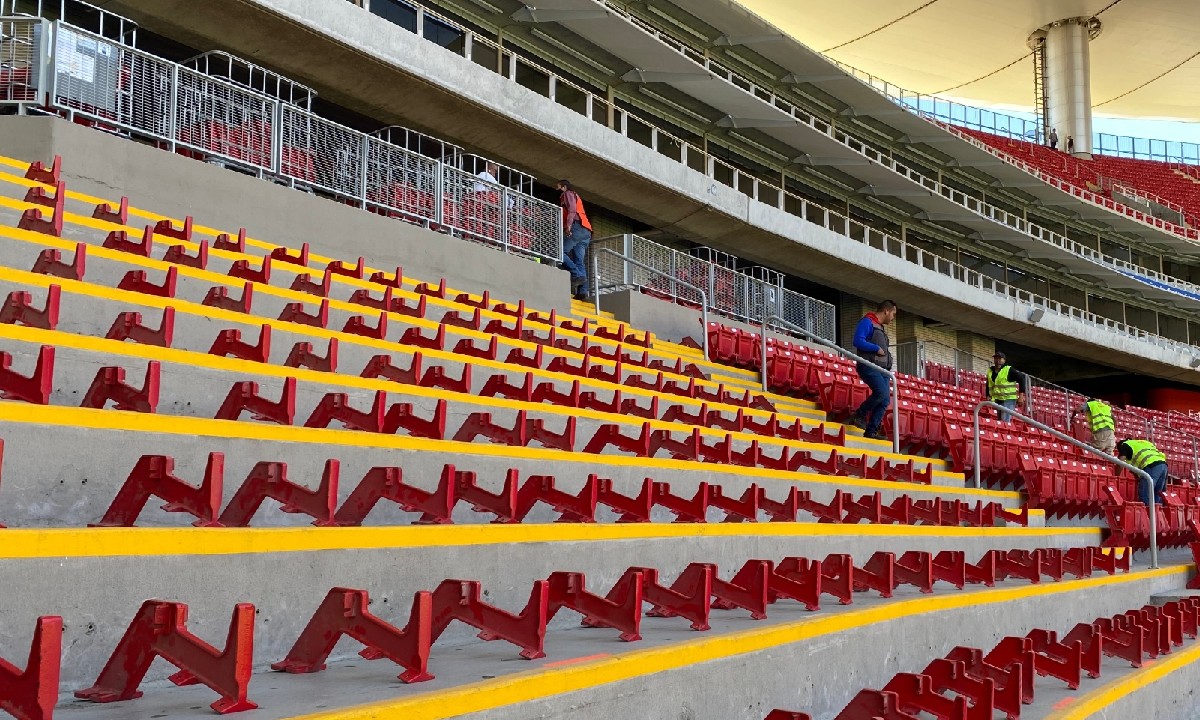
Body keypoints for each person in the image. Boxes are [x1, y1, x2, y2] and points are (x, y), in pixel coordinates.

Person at [849, 300, 897, 441]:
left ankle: (871, 431)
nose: (893, 318)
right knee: (881, 393)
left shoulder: (880, 327)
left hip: (883, 370)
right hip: (870, 366)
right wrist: (876, 348)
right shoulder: (867, 322)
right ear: (886, 311)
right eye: (893, 314)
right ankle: (860, 414)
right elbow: (858, 341)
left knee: (884, 400)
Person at [558, 179, 592, 300]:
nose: (558, 189)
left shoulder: (567, 194)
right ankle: (582, 291)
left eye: (559, 186)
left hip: (577, 227)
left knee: (560, 252)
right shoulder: (576, 195)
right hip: (586, 231)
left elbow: (572, 209)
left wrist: (568, 226)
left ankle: (576, 274)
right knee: (579, 261)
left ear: (564, 186)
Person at [1116, 438, 1168, 509]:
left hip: (1151, 466)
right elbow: (1135, 470)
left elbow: (1120, 461)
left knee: (1145, 494)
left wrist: (1116, 476)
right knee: (1157, 495)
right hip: (1163, 465)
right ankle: (1156, 516)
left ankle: (1147, 517)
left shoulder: (1125, 445)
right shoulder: (1143, 443)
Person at [986, 351, 1026, 422]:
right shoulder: (990, 371)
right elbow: (988, 384)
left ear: (1004, 360)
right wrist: (988, 395)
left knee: (1004, 420)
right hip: (997, 399)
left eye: (1000, 358)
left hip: (1008, 399)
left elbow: (1022, 379)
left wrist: (1021, 396)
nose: (997, 360)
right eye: (996, 358)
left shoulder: (1009, 369)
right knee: (999, 421)